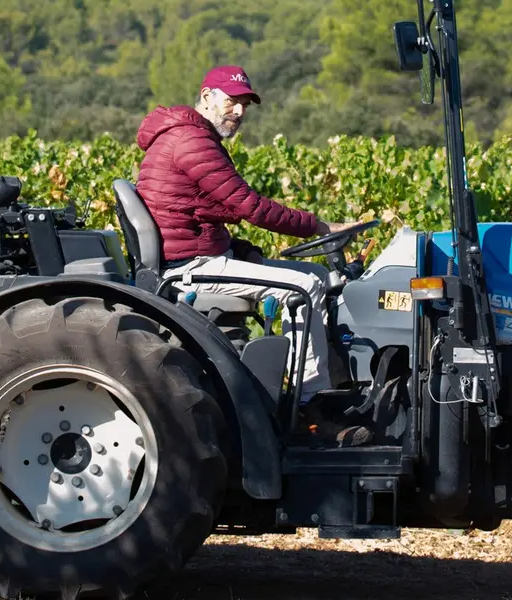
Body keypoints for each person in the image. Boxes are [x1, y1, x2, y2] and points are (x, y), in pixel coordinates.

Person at [134, 66, 361, 428]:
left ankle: (339, 389)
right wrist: (318, 226)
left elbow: (204, 213)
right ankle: (310, 406)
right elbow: (249, 206)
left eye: (244, 105)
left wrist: (242, 250)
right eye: (232, 102)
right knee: (304, 288)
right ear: (207, 97)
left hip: (201, 254)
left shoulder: (190, 137)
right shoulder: (192, 142)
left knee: (318, 273)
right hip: (189, 267)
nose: (239, 112)